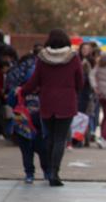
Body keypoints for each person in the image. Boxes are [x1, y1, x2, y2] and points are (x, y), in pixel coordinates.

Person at [20, 29, 83, 187]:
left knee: (49, 137)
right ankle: (55, 172)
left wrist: (22, 91)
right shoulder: (73, 58)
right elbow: (80, 81)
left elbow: (34, 80)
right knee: (60, 139)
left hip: (47, 101)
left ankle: (48, 171)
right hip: (67, 102)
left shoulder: (42, 58)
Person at [7, 53, 50, 184]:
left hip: (39, 126)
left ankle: (46, 171)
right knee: (27, 152)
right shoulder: (19, 90)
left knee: (43, 151)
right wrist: (14, 93)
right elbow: (10, 102)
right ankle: (29, 173)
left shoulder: (45, 92)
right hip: (22, 126)